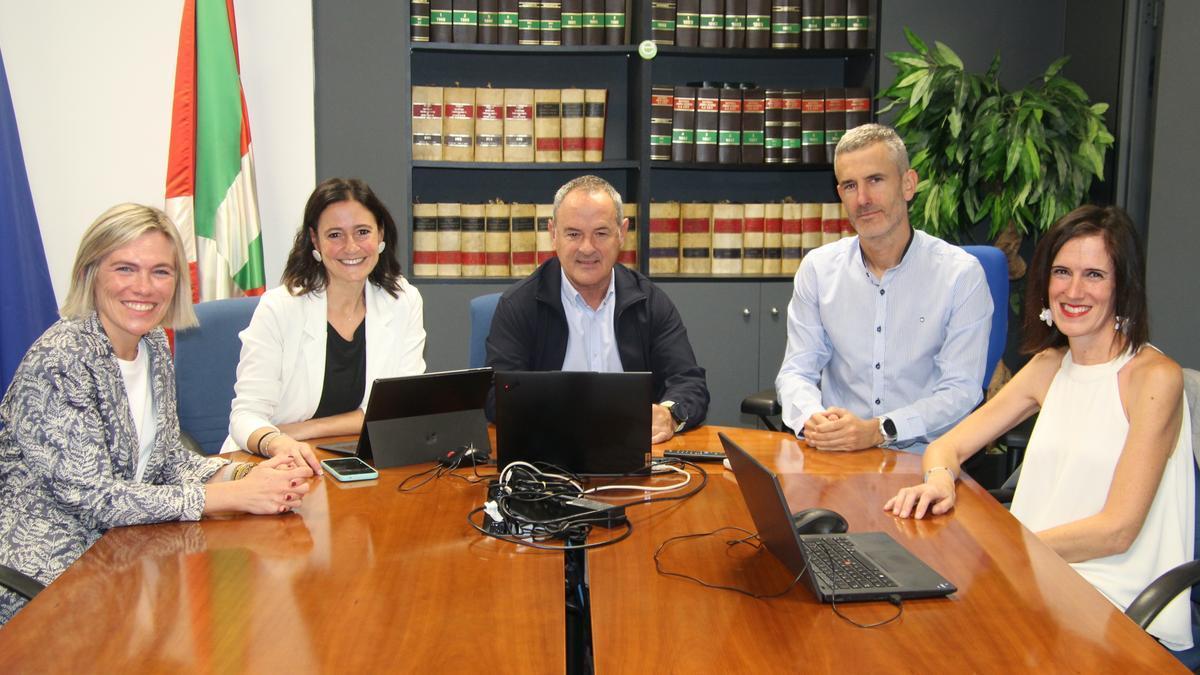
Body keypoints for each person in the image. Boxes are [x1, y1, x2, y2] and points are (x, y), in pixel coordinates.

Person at [884, 205, 1194, 652]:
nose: (1072, 290)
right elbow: (946, 448)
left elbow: (1117, 530)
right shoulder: (1050, 366)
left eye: (1094, 275)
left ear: (1123, 286)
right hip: (1033, 582)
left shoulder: (1153, 377)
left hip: (1112, 604)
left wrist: (1002, 549)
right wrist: (938, 482)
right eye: (1062, 271)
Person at [0, 204, 311, 625]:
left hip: (127, 552)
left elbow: (164, 460)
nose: (144, 287)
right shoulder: (63, 359)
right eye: (125, 269)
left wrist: (246, 476)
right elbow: (97, 499)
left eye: (161, 272)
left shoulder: (153, 347)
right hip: (50, 577)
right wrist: (230, 496)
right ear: (91, 273)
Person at [775, 123, 992, 453]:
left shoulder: (960, 275)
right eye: (850, 186)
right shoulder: (818, 270)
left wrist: (880, 430)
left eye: (875, 180)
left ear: (908, 184)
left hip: (922, 462)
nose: (863, 199)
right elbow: (795, 371)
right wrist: (814, 419)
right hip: (836, 456)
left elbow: (960, 391)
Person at [485, 175, 709, 443]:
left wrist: (669, 414)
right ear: (553, 234)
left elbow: (689, 382)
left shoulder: (650, 302)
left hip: (633, 452)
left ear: (622, 233)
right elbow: (496, 395)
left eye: (601, 233)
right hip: (549, 455)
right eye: (573, 234)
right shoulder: (519, 305)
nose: (587, 248)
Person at [225, 178, 426, 467]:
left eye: (362, 231)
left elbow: (400, 410)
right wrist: (279, 439)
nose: (351, 246)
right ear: (314, 241)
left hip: (357, 458)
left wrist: (306, 429)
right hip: (273, 462)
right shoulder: (280, 308)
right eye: (334, 235)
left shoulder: (403, 300)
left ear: (380, 234)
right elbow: (245, 416)